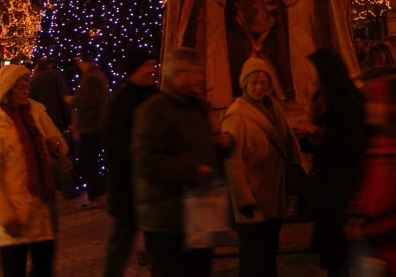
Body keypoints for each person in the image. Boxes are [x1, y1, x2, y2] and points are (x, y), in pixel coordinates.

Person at [131, 46, 232, 277]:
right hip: (167, 220)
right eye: (194, 72)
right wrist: (193, 172)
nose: (200, 77)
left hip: (199, 215)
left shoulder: (200, 107)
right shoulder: (153, 110)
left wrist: (225, 145)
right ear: (177, 75)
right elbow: (147, 160)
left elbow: (207, 151)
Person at [0, 63, 69, 277]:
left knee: (43, 269)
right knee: (14, 270)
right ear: (6, 91)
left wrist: (57, 145)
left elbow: (59, 143)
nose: (26, 90)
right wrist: (6, 217)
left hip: (43, 208)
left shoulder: (37, 111)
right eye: (19, 86)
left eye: (26, 85)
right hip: (14, 216)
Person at [221, 56, 304, 277]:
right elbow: (233, 162)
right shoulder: (236, 115)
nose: (259, 88)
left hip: (273, 194)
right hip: (253, 199)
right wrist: (242, 198)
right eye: (254, 83)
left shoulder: (273, 107)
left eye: (264, 83)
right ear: (245, 84)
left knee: (269, 255)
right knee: (253, 259)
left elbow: (288, 143)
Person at [345, 73, 396, 276]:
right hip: (382, 255)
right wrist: (356, 213)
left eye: (374, 101)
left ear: (392, 107)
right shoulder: (379, 146)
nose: (368, 106)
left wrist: (367, 229)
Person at [293, 47, 366, 277]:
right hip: (330, 189)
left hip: (341, 190)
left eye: (314, 71)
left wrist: (317, 132)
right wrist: (306, 137)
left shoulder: (346, 101)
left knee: (341, 258)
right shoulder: (325, 100)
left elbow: (351, 144)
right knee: (336, 258)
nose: (311, 75)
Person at [101, 47, 158, 277]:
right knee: (121, 241)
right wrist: (143, 160)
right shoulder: (120, 102)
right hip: (128, 186)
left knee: (157, 243)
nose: (151, 69)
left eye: (153, 64)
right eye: (146, 65)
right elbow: (114, 145)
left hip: (154, 186)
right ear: (134, 70)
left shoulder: (157, 96)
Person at [70, 45, 110, 208]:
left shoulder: (91, 77)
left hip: (90, 126)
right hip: (93, 125)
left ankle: (96, 195)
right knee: (89, 161)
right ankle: (98, 194)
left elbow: (88, 100)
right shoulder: (96, 74)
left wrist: (72, 100)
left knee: (88, 162)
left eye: (79, 61)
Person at [30, 56, 76, 199]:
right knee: (61, 153)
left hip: (41, 119)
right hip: (56, 118)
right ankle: (67, 188)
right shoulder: (56, 75)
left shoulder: (34, 78)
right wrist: (69, 119)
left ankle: (51, 184)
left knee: (46, 153)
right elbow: (63, 98)